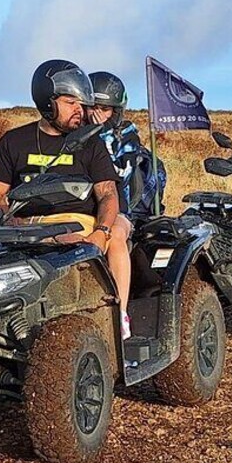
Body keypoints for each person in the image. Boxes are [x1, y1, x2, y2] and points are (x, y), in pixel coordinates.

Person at [0, 59, 133, 338]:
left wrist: (101, 232)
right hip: (30, 225)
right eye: (70, 103)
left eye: (82, 104)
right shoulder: (13, 142)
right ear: (47, 102)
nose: (80, 111)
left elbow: (108, 193)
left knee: (115, 234)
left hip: (81, 222)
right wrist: (8, 219)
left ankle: (119, 317)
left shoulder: (90, 142)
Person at [87, 70, 141, 336]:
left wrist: (103, 134)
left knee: (115, 237)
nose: (97, 114)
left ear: (116, 110)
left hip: (119, 208)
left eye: (104, 109)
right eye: (92, 107)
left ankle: (121, 313)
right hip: (80, 207)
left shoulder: (128, 135)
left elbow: (121, 173)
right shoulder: (75, 133)